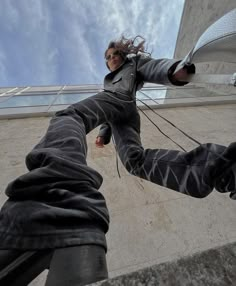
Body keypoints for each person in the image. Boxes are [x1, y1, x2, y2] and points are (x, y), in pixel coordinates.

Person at [0, 35, 235, 284]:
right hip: (123, 114)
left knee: (69, 116)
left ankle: (56, 197)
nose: (111, 60)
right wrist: (104, 133)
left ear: (123, 55)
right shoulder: (112, 78)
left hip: (121, 101)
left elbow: (151, 66)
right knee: (135, 161)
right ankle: (224, 168)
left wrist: (174, 70)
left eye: (114, 55)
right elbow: (108, 113)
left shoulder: (132, 63)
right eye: (108, 58)